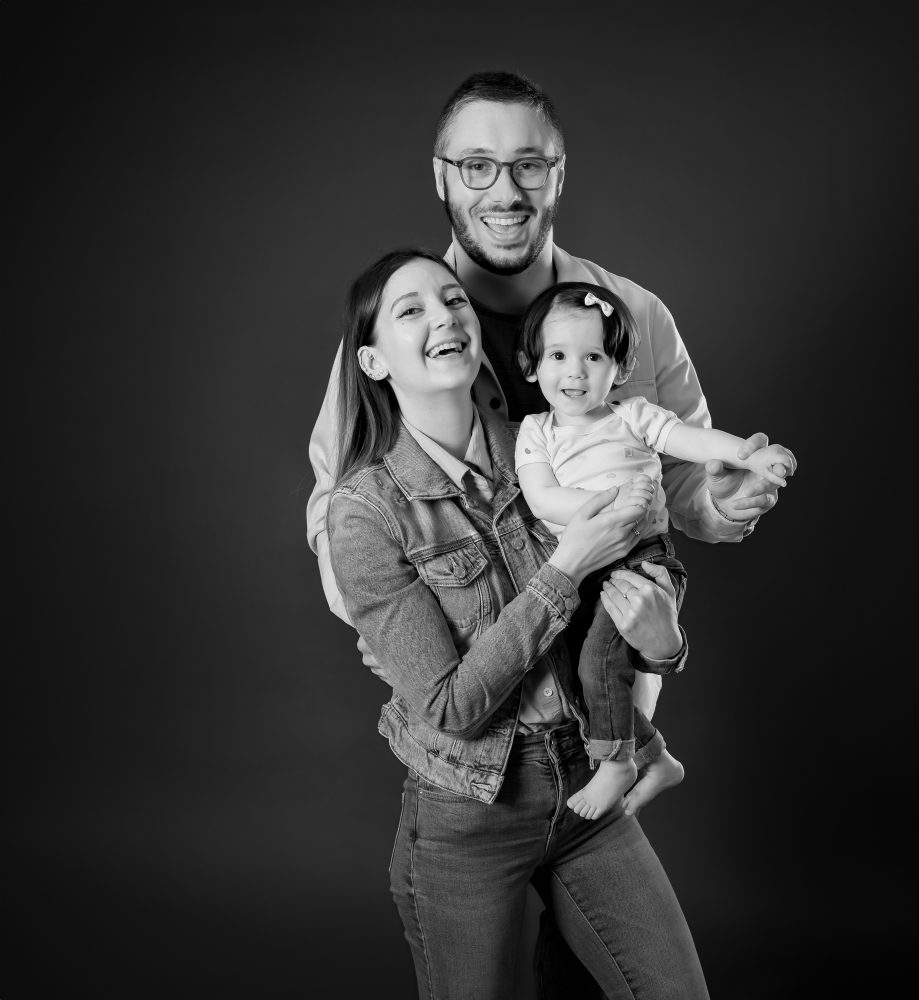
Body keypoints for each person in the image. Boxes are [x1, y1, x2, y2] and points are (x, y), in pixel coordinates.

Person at [307, 70, 789, 997]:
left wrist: (727, 502)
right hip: (483, 742)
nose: (506, 189)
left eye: (530, 164)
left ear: (560, 176)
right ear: (442, 176)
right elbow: (342, 501)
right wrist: (390, 622)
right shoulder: (400, 324)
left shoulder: (632, 316)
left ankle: (635, 753)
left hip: (593, 710)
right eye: (479, 165)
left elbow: (681, 489)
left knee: (593, 972)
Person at [328, 246, 710, 999]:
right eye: (413, 311)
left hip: (587, 783)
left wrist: (668, 648)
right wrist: (564, 568)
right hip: (470, 811)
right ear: (374, 360)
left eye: (454, 301)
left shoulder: (553, 443)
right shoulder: (364, 513)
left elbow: (637, 569)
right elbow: (448, 707)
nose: (445, 316)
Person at [514, 281, 797, 820]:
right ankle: (656, 757)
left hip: (642, 560)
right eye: (558, 355)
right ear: (532, 367)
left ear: (617, 370)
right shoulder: (536, 432)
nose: (574, 371)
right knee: (573, 679)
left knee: (599, 662)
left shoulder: (631, 414)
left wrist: (746, 455)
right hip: (582, 568)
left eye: (592, 356)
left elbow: (690, 441)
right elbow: (542, 497)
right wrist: (614, 499)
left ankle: (618, 764)